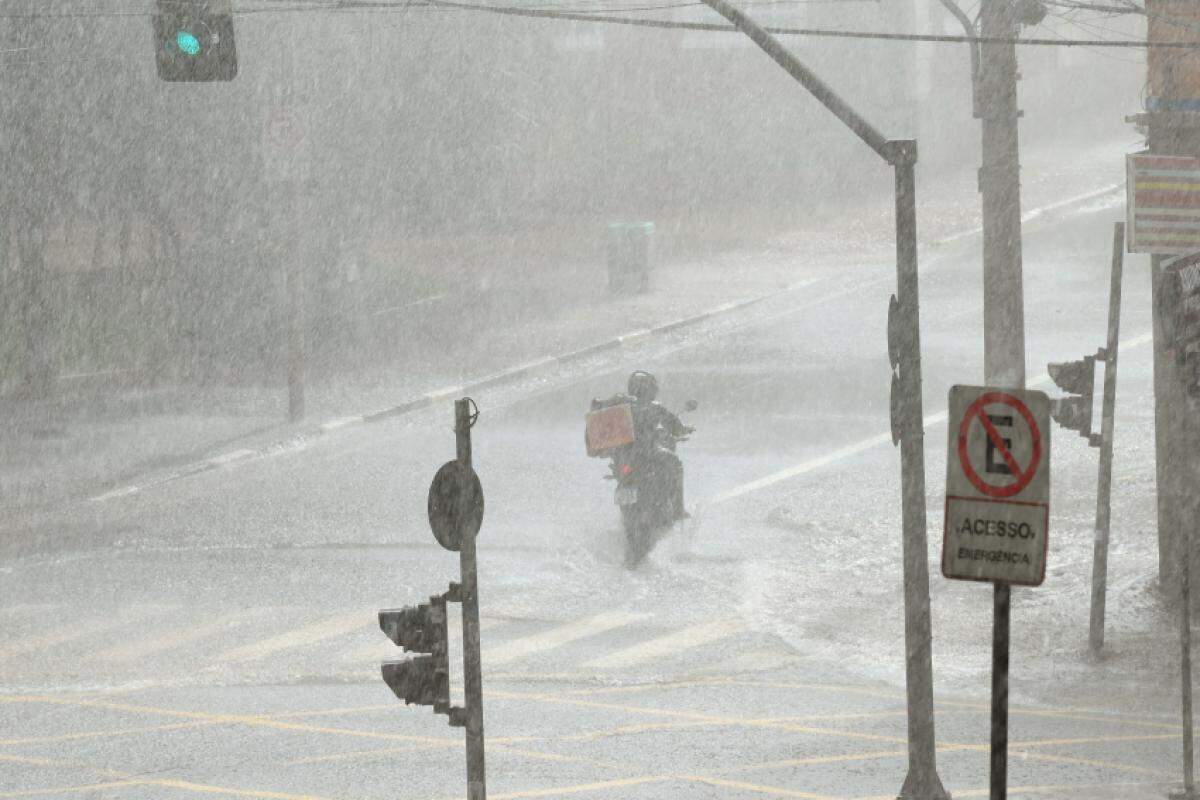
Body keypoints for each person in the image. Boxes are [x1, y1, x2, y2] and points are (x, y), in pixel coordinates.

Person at [625, 370, 692, 520]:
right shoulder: (654, 407)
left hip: (626, 457)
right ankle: (677, 509)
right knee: (675, 463)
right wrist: (684, 429)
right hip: (649, 452)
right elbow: (674, 425)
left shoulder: (623, 408)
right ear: (649, 389)